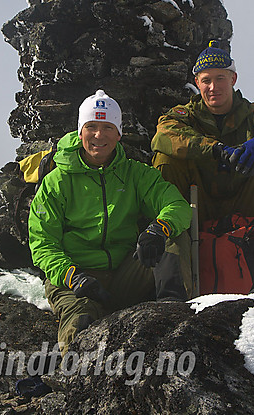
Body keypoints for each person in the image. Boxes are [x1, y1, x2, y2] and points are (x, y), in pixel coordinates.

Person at [29, 90, 192, 352]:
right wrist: (73, 277)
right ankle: (74, 379)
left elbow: (177, 206)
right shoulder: (55, 183)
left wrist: (158, 229)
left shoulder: (135, 174)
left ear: (118, 133)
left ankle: (173, 319)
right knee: (79, 327)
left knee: (173, 237)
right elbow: (42, 245)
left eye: (107, 127)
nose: (98, 135)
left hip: (124, 274)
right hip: (77, 279)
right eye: (91, 127)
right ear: (80, 131)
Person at [151, 40, 254, 251]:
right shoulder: (185, 116)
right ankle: (170, 250)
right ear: (197, 83)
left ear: (233, 79)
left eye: (220, 79)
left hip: (246, 202)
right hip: (198, 203)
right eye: (206, 80)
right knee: (166, 158)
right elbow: (163, 136)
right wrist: (215, 149)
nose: (213, 87)